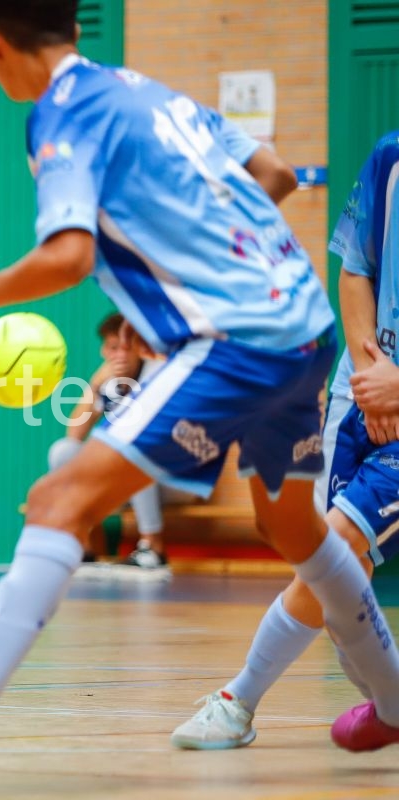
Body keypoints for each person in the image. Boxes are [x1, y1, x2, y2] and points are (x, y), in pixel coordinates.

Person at [0, 3, 399, 794]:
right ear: (74, 28)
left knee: (59, 498)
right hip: (303, 327)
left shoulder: (61, 113)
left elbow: (69, 255)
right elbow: (270, 174)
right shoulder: (151, 92)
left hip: (233, 340)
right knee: (291, 523)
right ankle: (395, 700)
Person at [171, 129, 399, 751]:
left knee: (342, 548)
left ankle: (238, 701)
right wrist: (371, 368)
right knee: (322, 563)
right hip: (361, 391)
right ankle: (394, 703)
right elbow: (357, 270)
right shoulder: (389, 155)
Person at [51, 310, 181, 577]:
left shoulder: (158, 375)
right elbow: (74, 433)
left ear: (141, 349)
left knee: (135, 451)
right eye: (112, 347)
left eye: (126, 346)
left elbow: (150, 434)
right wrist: (94, 384)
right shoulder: (106, 382)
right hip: (125, 479)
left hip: (175, 478)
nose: (119, 355)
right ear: (103, 351)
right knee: (63, 452)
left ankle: (152, 547)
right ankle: (82, 547)